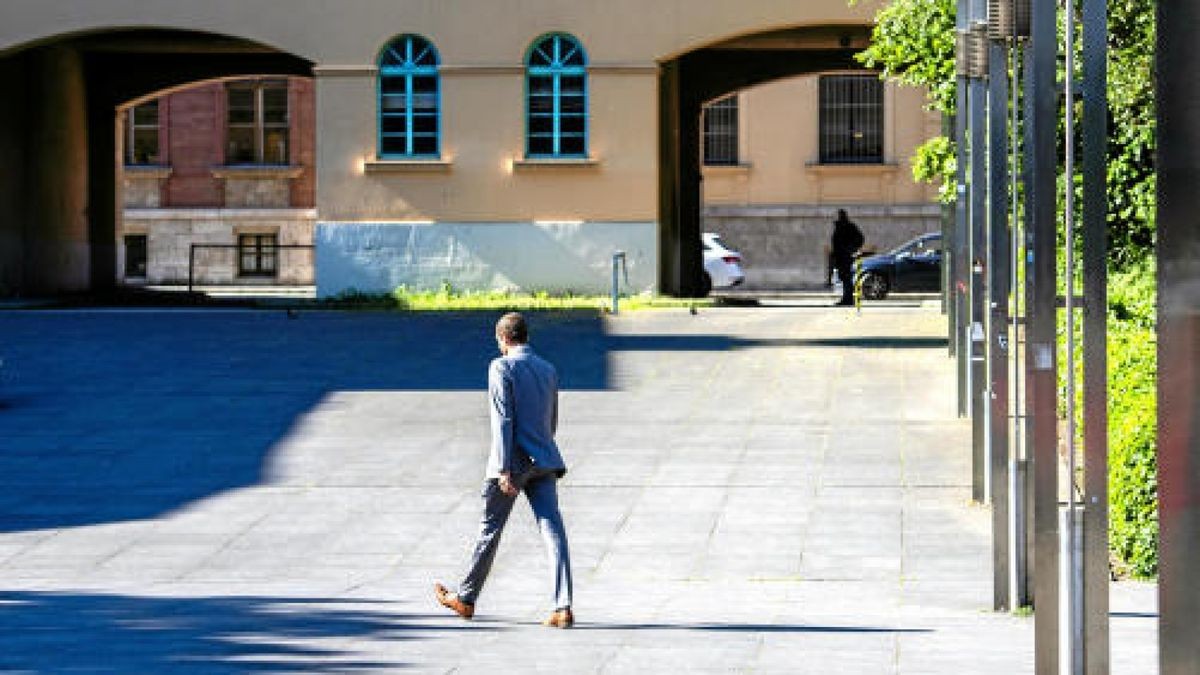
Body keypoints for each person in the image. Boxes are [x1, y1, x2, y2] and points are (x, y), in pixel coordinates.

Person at [434, 312, 575, 628]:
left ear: (503, 338)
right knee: (553, 532)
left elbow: (503, 420)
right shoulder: (548, 369)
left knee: (490, 530)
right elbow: (551, 421)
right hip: (545, 460)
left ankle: (466, 598)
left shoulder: (501, 367)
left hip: (512, 463)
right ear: (525, 336)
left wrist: (502, 469)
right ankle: (562, 606)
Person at [830, 209, 864, 306]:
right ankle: (847, 298)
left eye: (838, 215)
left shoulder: (849, 226)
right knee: (844, 278)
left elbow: (860, 238)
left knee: (846, 278)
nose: (836, 217)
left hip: (845, 257)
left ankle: (848, 299)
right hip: (840, 256)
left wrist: (851, 249)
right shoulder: (840, 226)